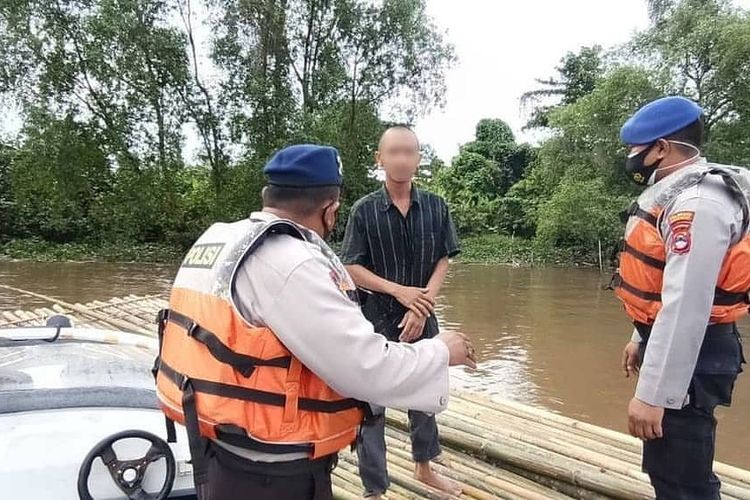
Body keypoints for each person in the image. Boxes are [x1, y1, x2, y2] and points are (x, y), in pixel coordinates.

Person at [153, 144, 477, 500]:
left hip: (218, 445)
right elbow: (366, 369)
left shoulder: (219, 239)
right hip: (271, 469)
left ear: (268, 195)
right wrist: (441, 351)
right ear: (332, 209)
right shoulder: (293, 262)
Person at [614, 96, 750, 499]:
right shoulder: (677, 193)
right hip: (682, 348)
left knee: (684, 479)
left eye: (636, 150)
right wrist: (641, 336)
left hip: (695, 354)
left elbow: (687, 306)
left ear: (662, 148)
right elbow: (666, 287)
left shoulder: (697, 204)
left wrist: (654, 396)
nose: (631, 158)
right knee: (668, 469)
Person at [340, 126, 463, 498]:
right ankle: (374, 487)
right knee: (371, 404)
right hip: (375, 318)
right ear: (380, 159)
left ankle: (424, 467)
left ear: (418, 158)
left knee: (424, 394)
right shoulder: (364, 211)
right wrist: (399, 292)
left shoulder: (437, 206)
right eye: (393, 152)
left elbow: (444, 258)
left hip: (422, 317)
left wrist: (422, 306)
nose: (402, 159)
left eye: (409, 152)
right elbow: (351, 267)